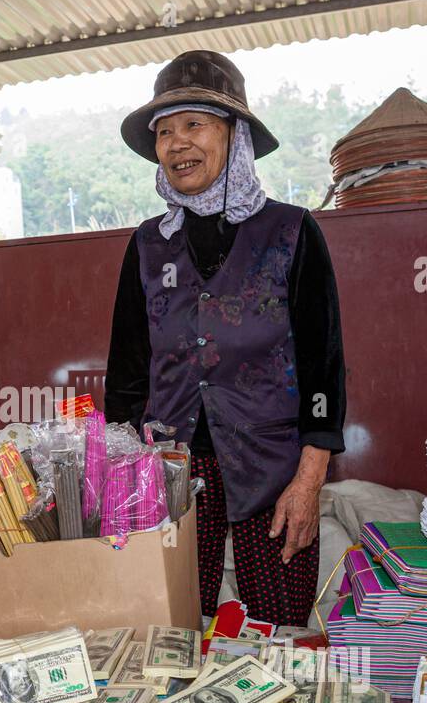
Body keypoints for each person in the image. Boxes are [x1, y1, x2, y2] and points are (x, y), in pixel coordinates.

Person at [106, 50, 346, 627]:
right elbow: (128, 374)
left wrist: (308, 482)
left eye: (194, 125)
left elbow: (323, 365)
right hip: (171, 472)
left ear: (234, 136)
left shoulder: (290, 232)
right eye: (165, 132)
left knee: (279, 626)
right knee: (174, 627)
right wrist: (121, 482)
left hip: (273, 468)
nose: (177, 143)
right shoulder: (147, 245)